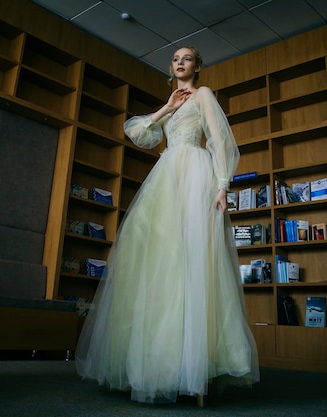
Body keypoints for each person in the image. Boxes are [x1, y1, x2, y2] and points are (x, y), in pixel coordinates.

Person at [75, 46, 260, 406]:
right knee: (161, 264)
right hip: (166, 178)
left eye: (187, 58)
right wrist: (167, 108)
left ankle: (198, 367)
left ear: (198, 66)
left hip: (194, 175)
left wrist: (223, 185)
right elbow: (140, 135)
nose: (180, 62)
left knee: (194, 261)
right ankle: (159, 364)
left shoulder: (204, 94)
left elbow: (221, 139)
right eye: (175, 58)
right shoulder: (173, 99)